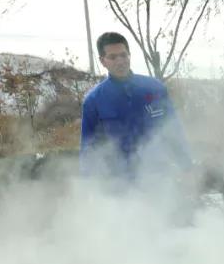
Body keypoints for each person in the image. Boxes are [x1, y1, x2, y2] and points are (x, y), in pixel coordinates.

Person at [80, 32, 191, 179]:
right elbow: (88, 148)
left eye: (123, 55)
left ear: (129, 55)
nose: (120, 61)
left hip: (160, 177)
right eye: (113, 57)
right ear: (102, 61)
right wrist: (88, 184)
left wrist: (188, 166)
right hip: (118, 181)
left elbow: (174, 130)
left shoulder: (154, 88)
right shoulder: (94, 101)